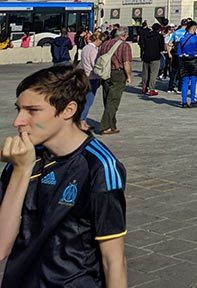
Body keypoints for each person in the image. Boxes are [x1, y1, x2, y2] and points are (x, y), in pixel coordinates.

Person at [0, 66, 128, 288]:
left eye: (32, 110)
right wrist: (21, 171)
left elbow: (113, 259)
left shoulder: (100, 167)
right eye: (18, 110)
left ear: (68, 110)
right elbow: (1, 247)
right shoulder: (23, 159)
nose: (18, 121)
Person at [97, 28, 133, 135]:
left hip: (105, 72)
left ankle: (112, 124)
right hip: (118, 73)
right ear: (124, 35)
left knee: (107, 98)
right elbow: (126, 62)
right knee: (113, 100)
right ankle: (105, 126)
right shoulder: (124, 45)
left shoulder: (105, 44)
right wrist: (129, 76)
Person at [176, 22, 197, 108]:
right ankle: (193, 100)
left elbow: (179, 52)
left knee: (185, 81)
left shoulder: (182, 38)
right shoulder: (196, 38)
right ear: (193, 28)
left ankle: (184, 102)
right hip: (194, 61)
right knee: (194, 81)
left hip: (184, 62)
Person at [78, 31, 102, 130]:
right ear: (97, 40)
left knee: (85, 100)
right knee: (89, 101)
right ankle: (82, 121)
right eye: (101, 40)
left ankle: (83, 120)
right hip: (92, 77)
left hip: (85, 75)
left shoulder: (85, 48)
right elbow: (95, 64)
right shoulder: (93, 50)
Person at [138, 23, 164, 97]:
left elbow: (143, 44)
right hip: (155, 56)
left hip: (146, 55)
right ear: (159, 29)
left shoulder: (146, 35)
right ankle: (151, 89)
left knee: (145, 73)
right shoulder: (159, 37)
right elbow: (161, 47)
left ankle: (144, 88)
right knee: (153, 73)